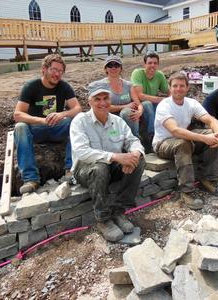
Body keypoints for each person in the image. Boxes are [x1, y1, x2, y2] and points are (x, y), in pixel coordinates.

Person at [70, 86, 145, 242]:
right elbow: (82, 152)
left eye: (106, 98)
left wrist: (134, 155)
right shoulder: (80, 121)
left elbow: (133, 141)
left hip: (110, 168)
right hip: (85, 169)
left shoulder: (117, 122)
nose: (102, 103)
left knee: (139, 160)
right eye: (97, 99)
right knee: (100, 167)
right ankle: (103, 219)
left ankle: (119, 211)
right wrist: (116, 157)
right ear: (89, 101)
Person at [153, 73, 218, 210]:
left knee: (211, 135)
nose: (178, 89)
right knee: (183, 143)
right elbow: (175, 131)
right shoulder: (164, 105)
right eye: (175, 86)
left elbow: (211, 120)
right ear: (169, 88)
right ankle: (186, 191)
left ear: (187, 87)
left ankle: (210, 179)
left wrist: (217, 135)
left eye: (182, 86)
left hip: (183, 138)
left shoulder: (191, 103)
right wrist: (205, 139)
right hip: (163, 143)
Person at [14, 54, 82, 194]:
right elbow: (18, 114)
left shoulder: (64, 87)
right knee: (20, 127)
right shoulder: (31, 86)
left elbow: (77, 108)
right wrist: (41, 120)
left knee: (77, 120)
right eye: (54, 70)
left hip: (56, 128)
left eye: (60, 71)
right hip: (36, 130)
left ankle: (70, 170)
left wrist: (62, 114)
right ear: (44, 69)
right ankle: (31, 179)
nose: (57, 74)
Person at [88, 55, 148, 137]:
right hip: (109, 117)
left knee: (128, 112)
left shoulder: (128, 85)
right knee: (126, 112)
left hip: (127, 117)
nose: (113, 68)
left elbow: (138, 104)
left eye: (116, 65)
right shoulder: (99, 86)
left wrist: (139, 112)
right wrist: (125, 106)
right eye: (110, 65)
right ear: (105, 69)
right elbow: (102, 107)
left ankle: (136, 138)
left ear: (121, 68)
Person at [131, 51, 169, 147]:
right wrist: (162, 99)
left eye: (155, 63)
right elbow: (140, 95)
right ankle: (151, 136)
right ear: (145, 64)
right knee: (148, 104)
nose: (153, 65)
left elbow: (168, 91)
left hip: (153, 102)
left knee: (166, 106)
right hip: (138, 103)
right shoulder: (137, 73)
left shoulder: (159, 75)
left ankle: (168, 132)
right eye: (150, 63)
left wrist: (172, 99)